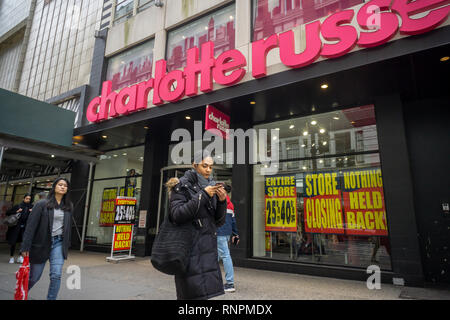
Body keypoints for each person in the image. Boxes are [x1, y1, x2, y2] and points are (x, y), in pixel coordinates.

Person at [167, 150, 227, 300]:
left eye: (211, 167)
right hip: (190, 252)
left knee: (205, 295)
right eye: (204, 166)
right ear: (195, 165)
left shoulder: (211, 186)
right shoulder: (181, 186)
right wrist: (204, 195)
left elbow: (218, 222)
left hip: (207, 251)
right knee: (190, 295)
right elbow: (177, 215)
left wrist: (222, 201)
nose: (208, 170)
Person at [20, 178, 73, 300]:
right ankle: (21, 294)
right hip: (41, 243)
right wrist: (25, 247)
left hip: (59, 243)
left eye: (65, 185)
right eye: (60, 185)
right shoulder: (42, 204)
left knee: (56, 275)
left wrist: (67, 244)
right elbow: (31, 227)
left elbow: (68, 226)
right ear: (54, 187)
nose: (62, 187)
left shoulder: (69, 206)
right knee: (34, 277)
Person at [216, 184, 239, 293]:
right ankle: (212, 280)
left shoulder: (218, 202)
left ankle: (230, 284)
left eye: (219, 188)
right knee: (215, 256)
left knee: (225, 256)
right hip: (226, 234)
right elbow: (233, 221)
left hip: (219, 233)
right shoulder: (230, 204)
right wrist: (235, 234)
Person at [6, 194, 33, 264]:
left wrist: (32, 212)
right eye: (27, 198)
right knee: (13, 242)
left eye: (29, 199)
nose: (28, 200)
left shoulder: (31, 207)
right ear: (23, 198)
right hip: (16, 227)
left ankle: (20, 256)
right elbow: (7, 213)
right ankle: (11, 257)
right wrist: (16, 211)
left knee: (23, 242)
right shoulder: (18, 206)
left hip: (25, 228)